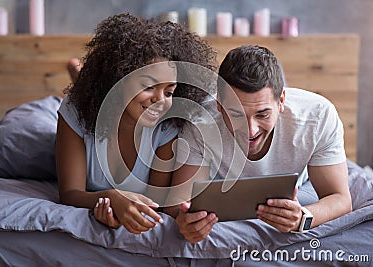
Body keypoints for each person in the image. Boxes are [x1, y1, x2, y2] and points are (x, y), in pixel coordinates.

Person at [165, 45, 352, 243]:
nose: (250, 130)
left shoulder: (318, 116)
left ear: (281, 101)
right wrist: (186, 221)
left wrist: (302, 218)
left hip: (302, 182)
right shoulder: (200, 121)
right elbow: (178, 202)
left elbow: (340, 198)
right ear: (219, 104)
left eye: (262, 114)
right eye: (235, 114)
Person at [56, 13, 216, 235]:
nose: (160, 101)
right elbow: (70, 194)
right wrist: (111, 198)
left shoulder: (168, 129)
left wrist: (118, 211)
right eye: (149, 86)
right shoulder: (76, 112)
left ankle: (79, 73)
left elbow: (155, 202)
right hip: (96, 109)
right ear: (118, 80)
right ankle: (79, 75)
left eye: (169, 91)